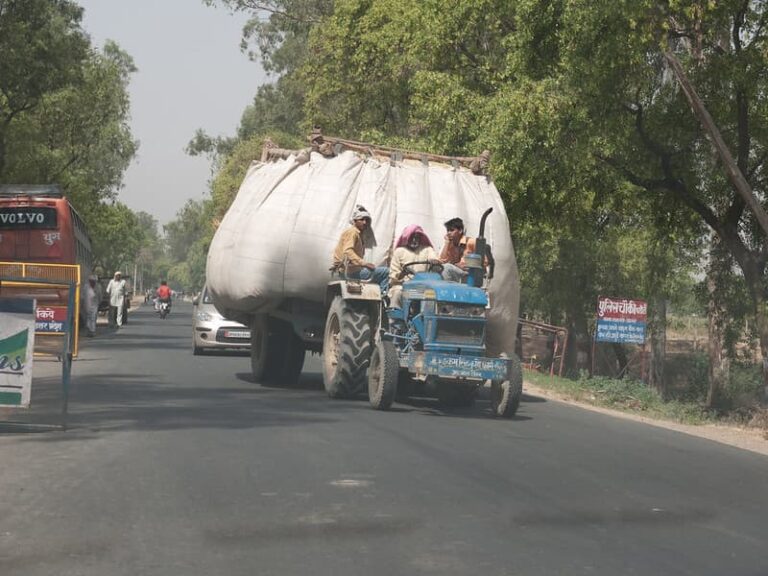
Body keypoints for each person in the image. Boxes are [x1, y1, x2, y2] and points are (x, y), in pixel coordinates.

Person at [331, 205, 389, 295]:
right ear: (355, 221)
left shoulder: (357, 234)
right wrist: (364, 263)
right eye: (361, 219)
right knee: (386, 272)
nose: (365, 222)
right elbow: (348, 251)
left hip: (349, 270)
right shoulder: (352, 232)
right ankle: (383, 297)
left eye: (366, 220)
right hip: (351, 272)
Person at [388, 225, 440, 309]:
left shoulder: (427, 249)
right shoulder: (399, 251)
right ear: (406, 238)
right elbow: (393, 274)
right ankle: (396, 320)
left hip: (423, 285)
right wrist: (402, 274)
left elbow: (433, 258)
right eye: (412, 237)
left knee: (431, 295)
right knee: (397, 292)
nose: (414, 240)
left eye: (417, 237)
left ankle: (425, 318)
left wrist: (434, 261)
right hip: (404, 286)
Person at [439, 217, 482, 282]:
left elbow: (484, 260)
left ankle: (446, 288)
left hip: (469, 273)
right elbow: (442, 260)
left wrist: (469, 266)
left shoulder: (471, 242)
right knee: (439, 268)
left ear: (460, 231)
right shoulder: (450, 244)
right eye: (448, 230)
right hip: (455, 272)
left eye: (451, 230)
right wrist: (447, 242)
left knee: (446, 268)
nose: (448, 233)